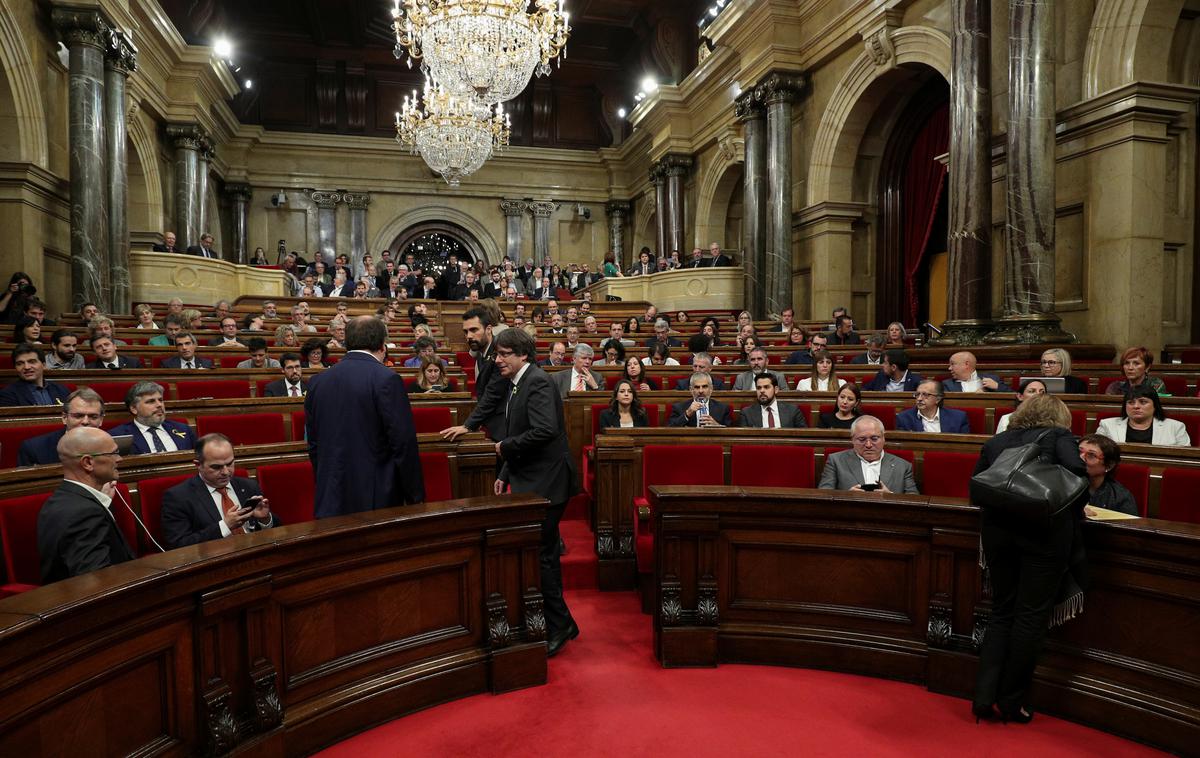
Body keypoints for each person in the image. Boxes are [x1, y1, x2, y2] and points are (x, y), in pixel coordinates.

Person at [972, 394, 1088, 724]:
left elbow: (978, 482)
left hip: (996, 532)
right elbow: (1078, 476)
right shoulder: (1060, 436)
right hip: (1043, 534)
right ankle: (1012, 701)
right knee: (1030, 617)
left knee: (1001, 611)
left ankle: (983, 696)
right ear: (1059, 416)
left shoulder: (998, 440)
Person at [489, 327, 580, 656]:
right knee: (546, 555)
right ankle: (562, 621)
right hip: (532, 478)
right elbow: (523, 429)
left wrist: (504, 448)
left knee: (541, 556)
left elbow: (544, 430)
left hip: (548, 483)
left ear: (522, 354)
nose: (497, 360)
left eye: (503, 354)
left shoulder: (537, 380)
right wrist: (506, 471)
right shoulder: (517, 383)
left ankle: (560, 624)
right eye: (497, 354)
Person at [306, 316, 425, 518]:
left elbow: (314, 443)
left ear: (348, 342)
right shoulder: (386, 379)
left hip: (330, 495)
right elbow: (402, 443)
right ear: (382, 344)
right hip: (376, 498)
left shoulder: (318, 382)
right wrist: (415, 495)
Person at [36, 427, 134, 584]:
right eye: (113, 453)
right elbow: (96, 580)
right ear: (88, 462)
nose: (119, 459)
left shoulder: (61, 499)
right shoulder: (85, 512)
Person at [161, 433, 278, 549]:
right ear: (198, 465)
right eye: (216, 467)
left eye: (230, 463)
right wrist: (225, 526)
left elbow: (277, 532)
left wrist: (265, 520)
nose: (226, 472)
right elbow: (178, 545)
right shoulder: (178, 497)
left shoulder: (249, 485)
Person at [818, 416, 919, 493]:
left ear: (884, 438)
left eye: (874, 439)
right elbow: (823, 495)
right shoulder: (836, 461)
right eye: (862, 439)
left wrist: (891, 497)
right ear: (852, 440)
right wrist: (846, 497)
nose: (868, 445)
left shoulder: (903, 466)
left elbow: (914, 501)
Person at [18, 388, 106, 466]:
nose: (85, 421)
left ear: (101, 420)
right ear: (64, 418)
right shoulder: (35, 449)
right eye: (78, 416)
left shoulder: (111, 446)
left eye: (93, 417)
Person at [109, 382, 197, 454]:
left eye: (160, 400)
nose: (159, 405)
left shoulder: (183, 429)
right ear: (134, 409)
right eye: (151, 401)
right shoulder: (118, 436)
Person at [1096, 384, 1191, 445]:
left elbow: (1184, 459)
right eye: (1131, 402)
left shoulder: (1176, 427)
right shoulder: (1107, 425)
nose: (1136, 406)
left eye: (1143, 402)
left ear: (1155, 406)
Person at [1078, 434, 1139, 517]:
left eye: (1091, 455)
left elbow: (1128, 528)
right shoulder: (1060, 484)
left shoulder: (1121, 497)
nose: (1080, 457)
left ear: (1109, 465)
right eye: (1078, 452)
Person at [0, 344, 71, 407]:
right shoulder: (8, 395)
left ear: (43, 365)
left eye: (32, 362)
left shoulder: (62, 390)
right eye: (20, 363)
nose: (26, 367)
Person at [896, 379, 972, 433]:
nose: (919, 399)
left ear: (938, 399)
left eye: (925, 395)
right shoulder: (904, 418)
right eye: (917, 394)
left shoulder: (958, 418)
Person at [739, 373, 806, 428]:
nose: (762, 391)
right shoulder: (747, 413)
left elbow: (803, 436)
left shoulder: (792, 410)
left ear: (776, 390)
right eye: (759, 388)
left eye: (766, 387)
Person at [943, 351, 1011, 392]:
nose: (949, 368)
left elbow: (1014, 396)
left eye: (952, 364)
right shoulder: (947, 384)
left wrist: (997, 386)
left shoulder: (993, 379)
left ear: (966, 364)